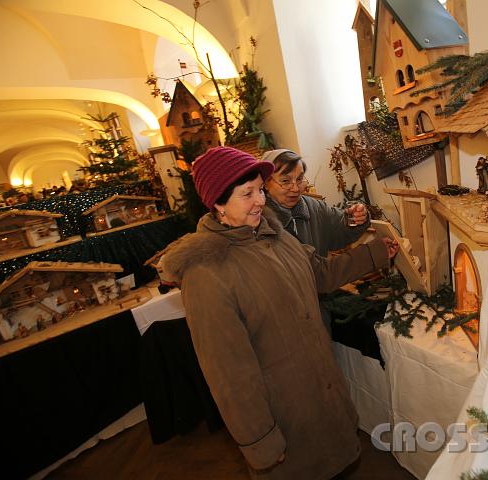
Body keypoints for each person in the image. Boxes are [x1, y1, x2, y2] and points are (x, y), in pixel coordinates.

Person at [160, 147, 398, 480]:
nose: (260, 200)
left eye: (260, 189)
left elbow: (319, 272)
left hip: (320, 396)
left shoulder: (274, 233)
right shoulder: (206, 274)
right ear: (217, 203)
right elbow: (230, 375)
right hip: (285, 417)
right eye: (247, 194)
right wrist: (260, 441)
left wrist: (374, 254)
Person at [261, 149, 370, 257]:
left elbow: (338, 230)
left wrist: (355, 218)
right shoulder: (258, 220)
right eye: (285, 181)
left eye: (299, 179)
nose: (295, 188)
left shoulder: (315, 207)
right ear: (265, 183)